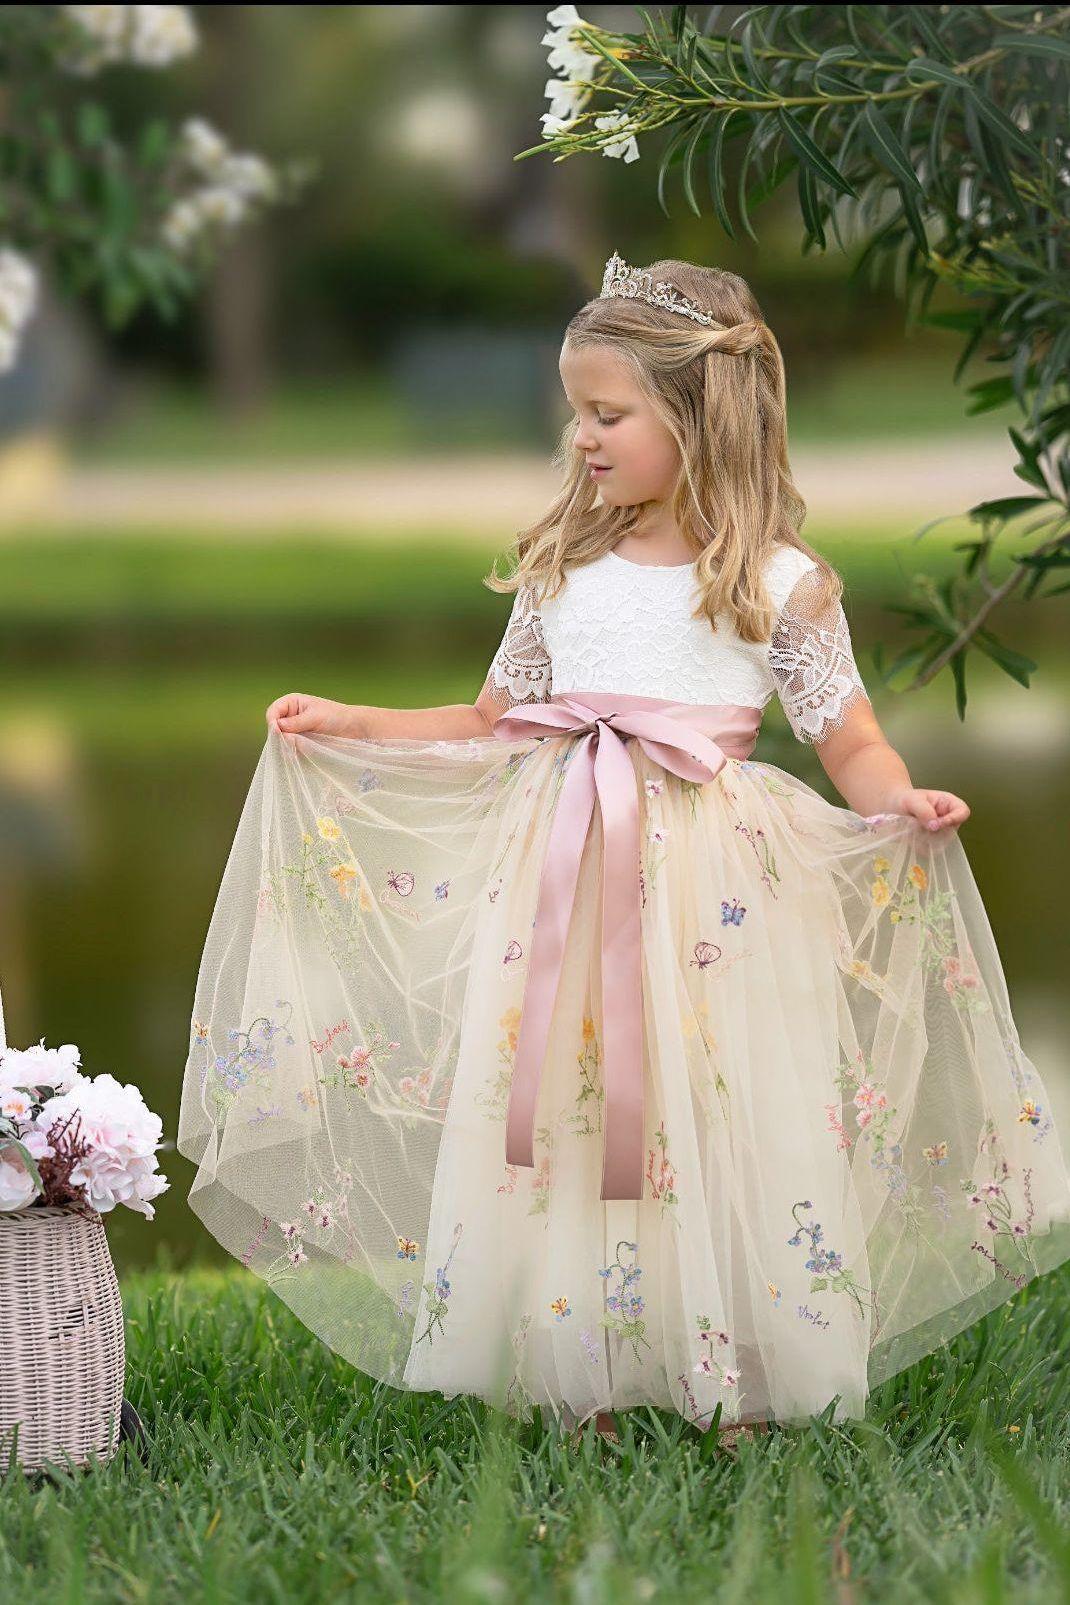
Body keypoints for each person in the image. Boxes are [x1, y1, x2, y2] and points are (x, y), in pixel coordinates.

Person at [177, 251, 1070, 1455]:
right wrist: (348, 722)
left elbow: (843, 732)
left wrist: (899, 803)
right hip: (563, 875)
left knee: (715, 1109)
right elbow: (491, 723)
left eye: (606, 414)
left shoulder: (774, 581)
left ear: (698, 417)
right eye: (576, 413)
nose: (581, 438)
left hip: (714, 889)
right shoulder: (563, 570)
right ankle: (582, 1360)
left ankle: (734, 1369)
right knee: (567, 1109)